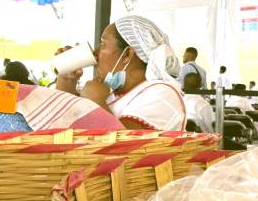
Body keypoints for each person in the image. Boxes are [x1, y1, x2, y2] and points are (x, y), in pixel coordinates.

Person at [55, 15, 187, 131]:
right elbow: (64, 124)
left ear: (127, 55)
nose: (95, 52)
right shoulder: (111, 94)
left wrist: (95, 101)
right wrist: (67, 79)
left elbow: (127, 147)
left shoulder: (163, 94)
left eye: (103, 43)